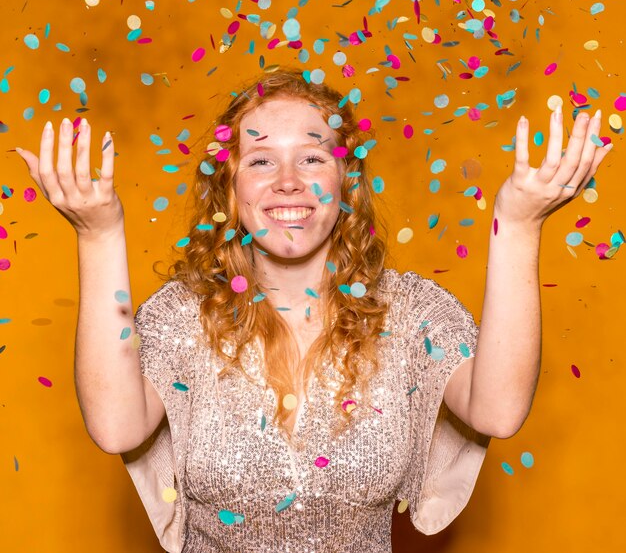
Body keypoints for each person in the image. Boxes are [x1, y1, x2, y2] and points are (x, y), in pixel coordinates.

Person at [15, 68, 611, 552]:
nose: (288, 181)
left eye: (313, 157)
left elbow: (499, 410)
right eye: (260, 160)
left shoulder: (412, 312)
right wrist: (98, 234)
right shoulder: (182, 315)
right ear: (230, 190)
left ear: (347, 183)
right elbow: (116, 426)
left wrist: (521, 222)